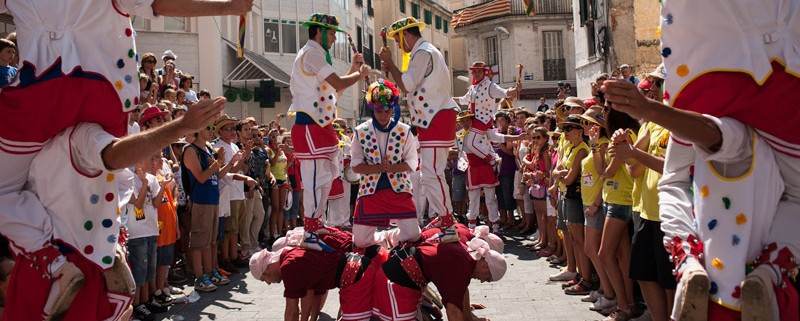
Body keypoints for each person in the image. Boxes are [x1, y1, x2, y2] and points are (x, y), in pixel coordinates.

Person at [603, 2, 800, 316]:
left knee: (680, 178)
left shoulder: (690, 110)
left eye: (657, 83)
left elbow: (721, 138)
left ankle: (688, 262)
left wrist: (652, 112)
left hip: (703, 78)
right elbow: (718, 139)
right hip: (761, 78)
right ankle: (765, 269)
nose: (655, 87)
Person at [288, 13, 370, 250]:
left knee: (324, 180)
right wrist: (360, 74)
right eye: (332, 33)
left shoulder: (316, 55)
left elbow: (333, 94)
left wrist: (354, 68)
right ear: (319, 32)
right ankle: (310, 231)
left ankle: (317, 224)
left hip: (319, 126)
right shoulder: (312, 53)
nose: (334, 38)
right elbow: (340, 84)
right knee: (315, 181)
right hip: (309, 127)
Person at [379, 17, 461, 240]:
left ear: (405, 34)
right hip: (433, 120)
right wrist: (393, 68)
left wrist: (392, 64)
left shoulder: (423, 52)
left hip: (435, 119)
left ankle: (447, 223)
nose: (398, 46)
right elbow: (407, 83)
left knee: (432, 174)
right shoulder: (425, 51)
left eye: (397, 40)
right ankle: (445, 219)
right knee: (431, 174)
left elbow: (406, 85)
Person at [249, 229, 384, 321]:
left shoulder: (289, 266)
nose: (268, 283)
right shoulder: (291, 256)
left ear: (267, 268)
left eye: (263, 279)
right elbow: (308, 297)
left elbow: (292, 310)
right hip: (358, 271)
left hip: (358, 276)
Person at [350, 79, 421, 250]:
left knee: (413, 235)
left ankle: (391, 236)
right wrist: (377, 169)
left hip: (399, 188)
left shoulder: (404, 130)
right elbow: (355, 165)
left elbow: (412, 162)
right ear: (372, 109)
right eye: (378, 111)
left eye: (387, 111)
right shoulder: (360, 131)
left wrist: (391, 168)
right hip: (370, 190)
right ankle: (383, 238)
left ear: (393, 109)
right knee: (359, 241)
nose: (383, 115)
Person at [374, 238, 506, 321]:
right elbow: (453, 311)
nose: (482, 281)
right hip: (395, 282)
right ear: (485, 266)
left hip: (404, 280)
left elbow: (461, 292)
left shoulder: (466, 257)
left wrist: (468, 317)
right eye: (487, 279)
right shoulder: (462, 268)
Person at [458, 112, 526, 232]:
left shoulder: (482, 131)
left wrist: (518, 137)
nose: (465, 123)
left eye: (467, 120)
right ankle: (472, 226)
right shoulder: (460, 135)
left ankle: (495, 225)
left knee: (491, 198)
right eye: (462, 121)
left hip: (486, 167)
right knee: (473, 198)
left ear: (472, 120)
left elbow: (500, 137)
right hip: (473, 168)